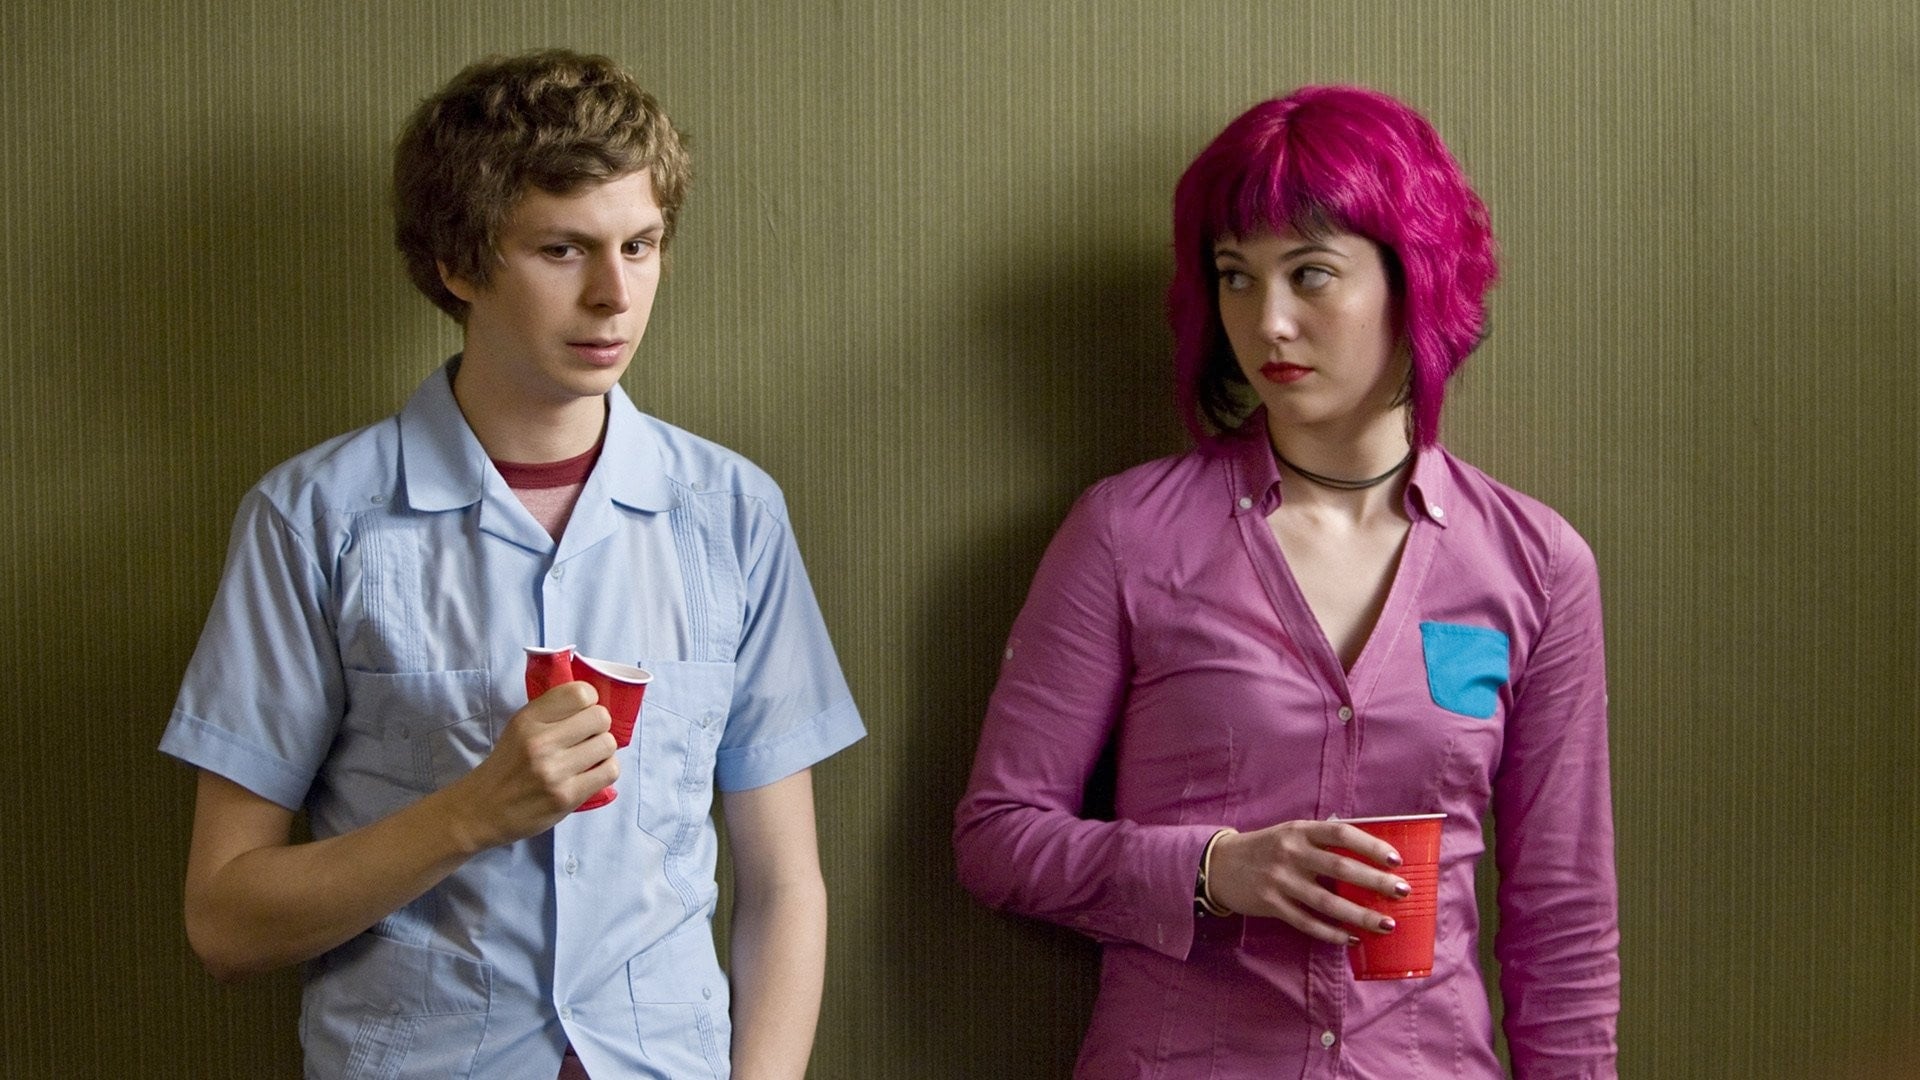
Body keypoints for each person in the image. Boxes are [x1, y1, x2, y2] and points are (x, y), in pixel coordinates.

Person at [161, 49, 864, 1079]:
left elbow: (786, 885)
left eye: (640, 245)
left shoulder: (733, 515)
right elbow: (226, 923)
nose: (614, 296)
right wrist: (470, 814)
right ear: (459, 264)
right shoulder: (313, 521)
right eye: (562, 250)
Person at [953, 85, 1617, 1078]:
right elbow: (999, 838)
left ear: (1416, 279)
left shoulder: (1536, 565)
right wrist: (1213, 869)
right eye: (1236, 276)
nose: (1266, 321)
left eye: (1311, 274)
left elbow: (1562, 920)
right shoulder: (1128, 534)